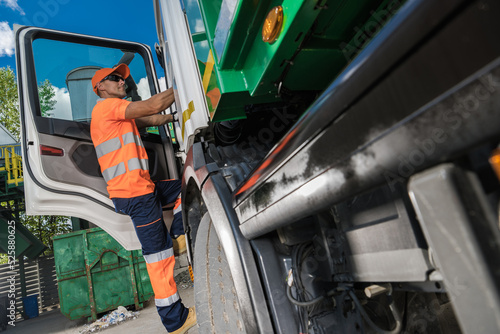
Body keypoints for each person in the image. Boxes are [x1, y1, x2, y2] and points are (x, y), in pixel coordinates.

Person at [90, 63, 196, 334]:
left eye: (121, 78)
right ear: (100, 87)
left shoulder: (120, 115)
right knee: (158, 256)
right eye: (114, 79)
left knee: (185, 184)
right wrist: (188, 81)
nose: (121, 82)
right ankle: (176, 320)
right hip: (135, 194)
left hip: (142, 189)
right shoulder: (107, 107)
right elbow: (150, 106)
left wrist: (174, 117)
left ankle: (179, 234)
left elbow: (153, 118)